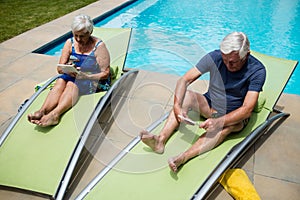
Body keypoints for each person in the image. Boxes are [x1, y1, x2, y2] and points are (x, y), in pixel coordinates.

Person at [140, 32, 266, 172]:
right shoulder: (215, 57)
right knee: (186, 96)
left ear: (246, 55)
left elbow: (247, 109)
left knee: (225, 128)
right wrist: (177, 106)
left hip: (233, 116)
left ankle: (183, 157)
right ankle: (160, 140)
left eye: (233, 62)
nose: (228, 65)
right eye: (225, 60)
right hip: (210, 105)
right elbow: (184, 80)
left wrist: (219, 122)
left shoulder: (257, 71)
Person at [28, 14, 111, 127]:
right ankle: (42, 111)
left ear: (90, 32)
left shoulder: (99, 46)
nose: (78, 39)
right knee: (60, 82)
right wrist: (67, 69)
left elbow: (105, 73)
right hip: (73, 75)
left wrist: (85, 76)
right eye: (75, 35)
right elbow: (59, 68)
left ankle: (55, 114)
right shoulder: (70, 43)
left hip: (93, 79)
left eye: (81, 36)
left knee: (72, 84)